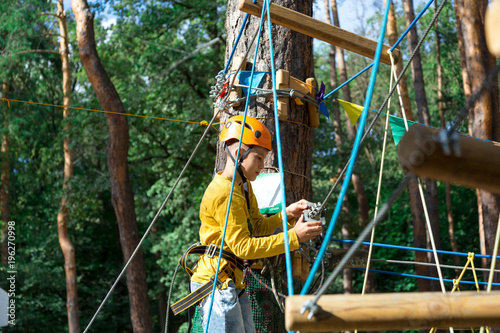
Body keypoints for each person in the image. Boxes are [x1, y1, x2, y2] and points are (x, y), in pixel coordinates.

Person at [189, 115, 323, 332]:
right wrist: (294, 237)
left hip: (231, 281)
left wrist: (287, 214)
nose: (263, 165)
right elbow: (243, 248)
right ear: (238, 153)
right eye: (259, 158)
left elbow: (258, 227)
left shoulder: (242, 186)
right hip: (215, 282)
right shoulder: (224, 192)